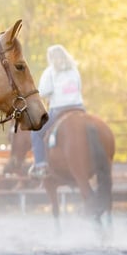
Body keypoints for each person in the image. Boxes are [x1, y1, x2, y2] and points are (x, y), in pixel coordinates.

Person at [30, 44, 85, 179]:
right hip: (79, 107)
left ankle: (40, 165)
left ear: (51, 58)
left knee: (36, 132)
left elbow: (43, 92)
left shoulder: (50, 72)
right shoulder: (74, 70)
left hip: (60, 109)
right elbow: (79, 87)